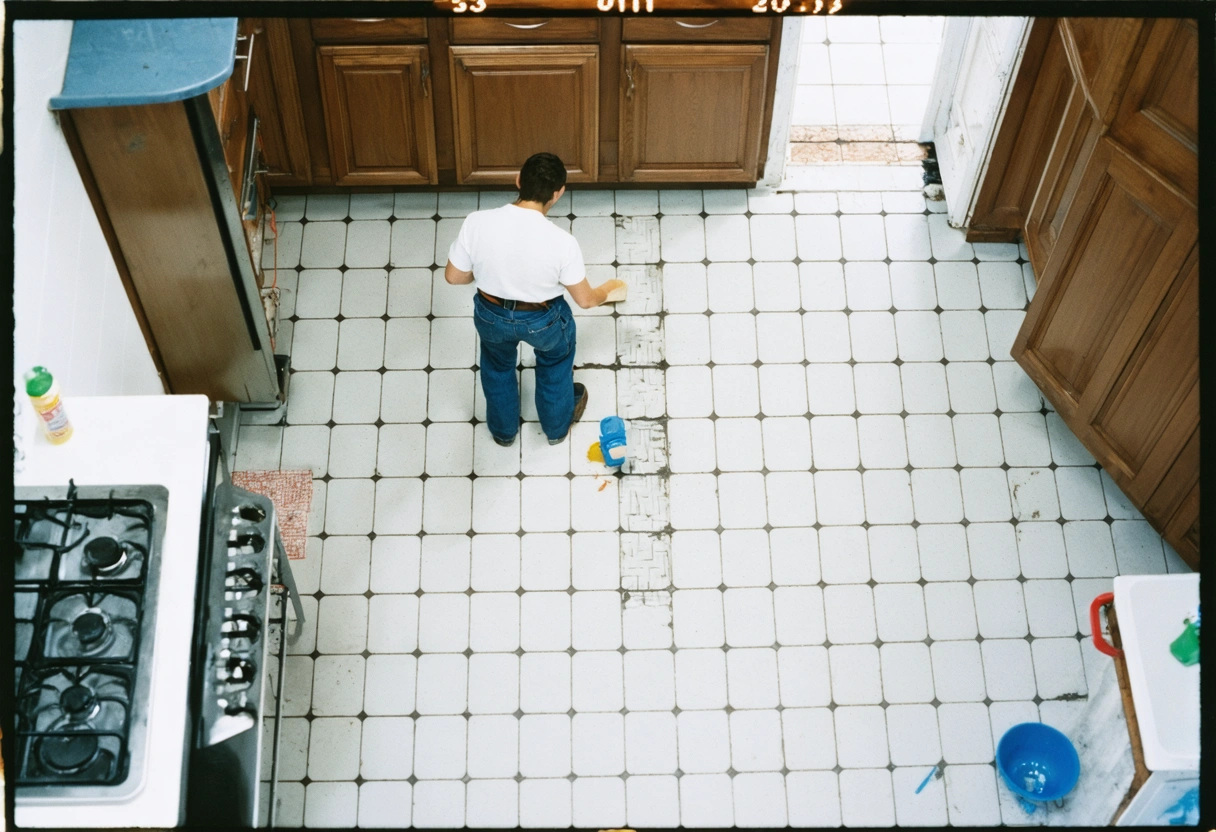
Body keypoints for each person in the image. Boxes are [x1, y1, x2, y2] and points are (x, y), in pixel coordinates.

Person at [444, 152, 627, 447]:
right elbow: (586, 301)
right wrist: (606, 290)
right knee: (555, 364)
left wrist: (483, 274)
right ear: (558, 194)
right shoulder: (562, 243)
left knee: (497, 366)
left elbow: (454, 276)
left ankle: (504, 433)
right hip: (543, 320)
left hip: (491, 314)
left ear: (518, 180)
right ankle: (555, 430)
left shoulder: (476, 222)